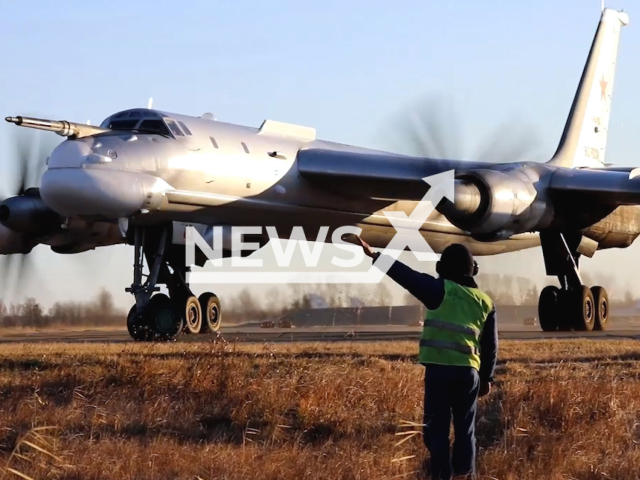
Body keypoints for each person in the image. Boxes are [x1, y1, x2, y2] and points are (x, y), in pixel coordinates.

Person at [356, 237, 498, 480]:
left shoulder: (439, 289)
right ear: (473, 270)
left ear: (442, 269)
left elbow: (407, 276)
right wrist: (487, 377)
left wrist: (376, 256)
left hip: (440, 372)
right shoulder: (485, 301)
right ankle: (466, 476)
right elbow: (491, 344)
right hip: (469, 375)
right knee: (466, 432)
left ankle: (441, 476)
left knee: (436, 431)